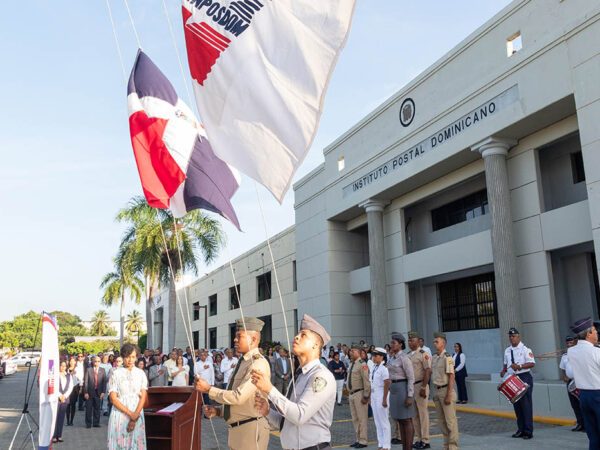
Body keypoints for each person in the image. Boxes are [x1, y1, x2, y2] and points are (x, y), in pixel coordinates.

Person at [252, 314, 336, 450]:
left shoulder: (321, 376)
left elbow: (299, 415)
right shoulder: (299, 376)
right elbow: (285, 422)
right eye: (298, 334)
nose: (296, 337)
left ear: (316, 345)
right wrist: (267, 411)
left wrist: (269, 389)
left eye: (303, 335)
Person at [195, 317, 271, 450]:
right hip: (239, 430)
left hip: (251, 431)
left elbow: (238, 396)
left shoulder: (257, 363)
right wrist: (218, 411)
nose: (235, 340)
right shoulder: (243, 361)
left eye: (239, 336)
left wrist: (208, 389)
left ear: (253, 339)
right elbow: (242, 402)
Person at [107, 344, 148, 449]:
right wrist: (131, 414)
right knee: (120, 444)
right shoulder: (115, 374)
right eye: (127, 356)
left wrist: (135, 416)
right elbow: (113, 398)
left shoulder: (141, 373)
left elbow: (143, 396)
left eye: (133, 357)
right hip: (120, 414)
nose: (130, 360)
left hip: (137, 412)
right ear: (122, 357)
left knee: (135, 444)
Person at [568, 317, 600, 449]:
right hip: (598, 395)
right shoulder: (596, 352)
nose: (597, 333)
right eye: (594, 330)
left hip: (583, 396)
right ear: (588, 334)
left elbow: (570, 374)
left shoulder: (571, 351)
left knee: (593, 435)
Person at [500, 327, 535, 440]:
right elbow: (506, 364)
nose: (512, 338)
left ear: (518, 337)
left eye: (514, 336)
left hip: (524, 377)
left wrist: (519, 366)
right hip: (512, 378)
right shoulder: (507, 350)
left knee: (526, 406)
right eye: (510, 336)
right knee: (517, 406)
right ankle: (520, 429)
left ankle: (528, 431)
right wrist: (503, 370)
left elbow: (531, 363)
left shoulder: (525, 349)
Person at [432, 332, 459, 450]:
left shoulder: (447, 357)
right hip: (437, 391)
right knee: (441, 422)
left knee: (450, 422)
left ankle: (453, 446)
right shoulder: (434, 357)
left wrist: (448, 394)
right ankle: (446, 445)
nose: (434, 343)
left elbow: (451, 376)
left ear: (443, 343)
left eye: (437, 341)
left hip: (446, 391)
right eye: (434, 341)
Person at [388, 332, 415, 450]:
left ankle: (408, 447)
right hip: (394, 390)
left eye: (394, 343)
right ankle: (404, 447)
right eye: (391, 342)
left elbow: (411, 377)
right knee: (399, 420)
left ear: (400, 344)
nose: (391, 345)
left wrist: (410, 395)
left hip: (402, 388)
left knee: (406, 420)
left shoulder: (404, 358)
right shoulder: (392, 358)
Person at [408, 331, 432, 450]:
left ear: (418, 341)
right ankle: (419, 439)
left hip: (420, 386)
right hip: (411, 387)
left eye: (412, 340)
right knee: (414, 415)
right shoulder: (408, 355)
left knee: (423, 414)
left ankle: (426, 440)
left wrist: (423, 386)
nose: (409, 342)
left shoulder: (423, 354)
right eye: (409, 340)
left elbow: (428, 370)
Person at [347, 343, 371, 448]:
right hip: (352, 394)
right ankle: (358, 439)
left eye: (353, 351)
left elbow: (366, 381)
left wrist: (366, 396)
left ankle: (363, 440)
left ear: (359, 352)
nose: (351, 353)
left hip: (359, 394)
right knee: (355, 419)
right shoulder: (352, 363)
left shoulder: (362, 364)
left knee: (362, 418)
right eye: (351, 351)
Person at [559, 335, 584, 432]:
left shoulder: (579, 353)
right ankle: (580, 423)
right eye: (568, 343)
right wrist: (564, 376)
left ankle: (586, 424)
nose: (569, 344)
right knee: (574, 404)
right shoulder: (565, 355)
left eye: (571, 342)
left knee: (582, 403)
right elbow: (562, 368)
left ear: (575, 342)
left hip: (580, 381)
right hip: (570, 382)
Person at [370, 347, 391, 450]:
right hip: (374, 395)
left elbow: (387, 383)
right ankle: (380, 443)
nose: (374, 357)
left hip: (381, 394)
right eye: (373, 355)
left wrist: (384, 399)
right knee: (377, 421)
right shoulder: (374, 367)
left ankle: (386, 445)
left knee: (384, 421)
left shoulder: (384, 368)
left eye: (376, 356)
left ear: (382, 357)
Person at [82, 355, 107, 428]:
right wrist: (85, 392)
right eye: (95, 361)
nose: (97, 363)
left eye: (99, 361)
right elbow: (86, 382)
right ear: (93, 362)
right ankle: (88, 423)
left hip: (98, 392)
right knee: (89, 408)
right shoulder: (89, 370)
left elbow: (104, 382)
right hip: (89, 392)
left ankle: (96, 423)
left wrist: (103, 392)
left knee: (97, 408)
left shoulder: (102, 370)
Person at [52, 360, 73, 443]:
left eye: (64, 366)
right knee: (55, 418)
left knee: (61, 417)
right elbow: (53, 386)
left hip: (65, 399)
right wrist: (59, 395)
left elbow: (70, 387)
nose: (63, 367)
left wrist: (65, 396)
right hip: (57, 398)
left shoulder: (69, 376)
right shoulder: (55, 375)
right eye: (61, 365)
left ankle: (59, 435)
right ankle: (54, 436)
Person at [66, 356, 80, 426]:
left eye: (73, 361)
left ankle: (72, 421)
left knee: (73, 405)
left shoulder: (77, 369)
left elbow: (80, 379)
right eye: (71, 361)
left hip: (75, 389)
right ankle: (67, 421)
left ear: (75, 362)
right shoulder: (66, 369)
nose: (72, 362)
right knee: (67, 405)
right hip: (67, 389)